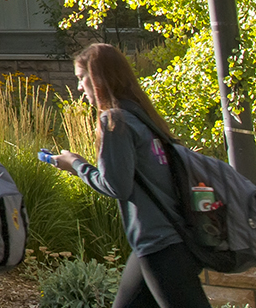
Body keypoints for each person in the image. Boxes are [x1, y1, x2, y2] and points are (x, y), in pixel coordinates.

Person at [45, 43, 211, 308]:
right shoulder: (142, 116)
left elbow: (115, 186)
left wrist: (75, 163)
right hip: (165, 239)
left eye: (81, 78)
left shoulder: (114, 121)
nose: (79, 87)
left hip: (160, 244)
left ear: (98, 77)